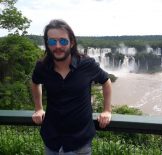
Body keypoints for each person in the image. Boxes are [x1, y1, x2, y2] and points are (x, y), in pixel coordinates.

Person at [31, 19, 112, 155]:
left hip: (80, 143)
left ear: (72, 42)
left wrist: (107, 110)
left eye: (63, 41)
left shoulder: (87, 64)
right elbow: (35, 83)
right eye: (52, 41)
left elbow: (106, 81)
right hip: (52, 141)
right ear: (47, 44)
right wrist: (38, 108)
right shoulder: (42, 67)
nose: (57, 46)